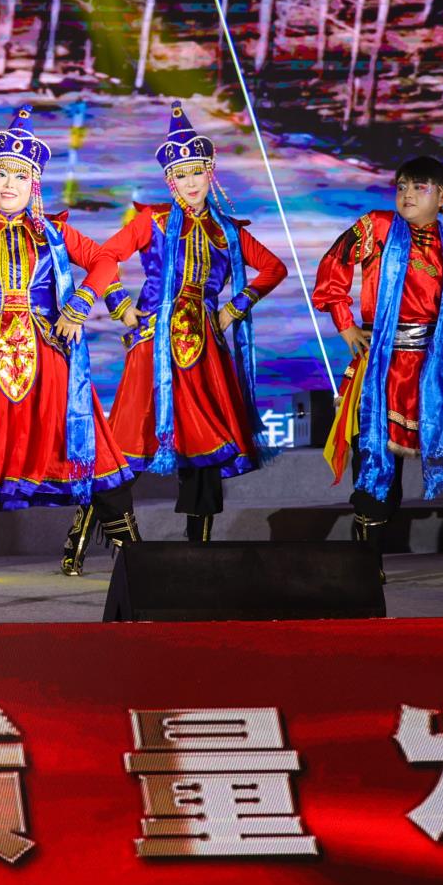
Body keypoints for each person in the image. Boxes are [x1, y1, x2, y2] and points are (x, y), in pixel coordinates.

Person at [0, 104, 138, 611]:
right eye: (2, 174)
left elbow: (105, 260)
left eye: (21, 175)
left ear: (34, 184)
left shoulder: (53, 231)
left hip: (50, 361)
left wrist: (80, 304)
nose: (9, 183)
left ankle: (143, 575)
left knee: (95, 459)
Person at [78, 104, 288, 563]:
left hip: (205, 350)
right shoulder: (152, 221)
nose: (191, 182)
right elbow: (104, 256)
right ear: (169, 180)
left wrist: (234, 307)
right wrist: (120, 305)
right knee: (131, 440)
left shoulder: (226, 231)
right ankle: (88, 530)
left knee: (204, 446)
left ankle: (199, 552)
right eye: (181, 175)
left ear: (209, 173)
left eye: (196, 172)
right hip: (153, 346)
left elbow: (274, 268)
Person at [314, 155, 443, 579]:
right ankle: (366, 563)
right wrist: (345, 324)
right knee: (376, 466)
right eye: (402, 185)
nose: (407, 194)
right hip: (381, 370)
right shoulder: (377, 227)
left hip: (433, 373)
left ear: (442, 198)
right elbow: (334, 263)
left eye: (419, 187)